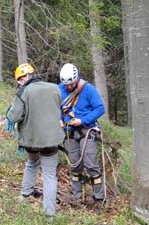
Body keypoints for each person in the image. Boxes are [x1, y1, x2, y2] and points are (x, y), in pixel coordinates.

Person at [6, 63, 65, 217]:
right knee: (50, 175)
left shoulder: (23, 92)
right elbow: (61, 108)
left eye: (19, 80)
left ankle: (24, 195)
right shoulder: (54, 88)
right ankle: (50, 215)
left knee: (32, 163)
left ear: (21, 79)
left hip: (31, 140)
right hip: (52, 140)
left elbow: (13, 116)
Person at [59, 63, 105, 204]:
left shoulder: (88, 89)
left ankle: (99, 198)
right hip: (69, 131)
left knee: (90, 164)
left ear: (76, 79)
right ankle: (77, 196)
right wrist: (59, 120)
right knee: (75, 165)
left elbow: (100, 108)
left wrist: (82, 120)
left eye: (70, 84)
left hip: (87, 130)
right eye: (65, 85)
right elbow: (56, 107)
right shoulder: (59, 89)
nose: (68, 87)